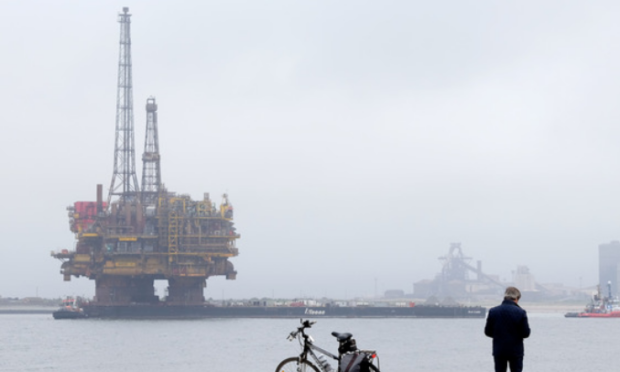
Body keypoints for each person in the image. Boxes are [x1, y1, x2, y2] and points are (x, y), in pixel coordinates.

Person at [484, 287, 531, 372]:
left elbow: (487, 332)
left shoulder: (493, 311)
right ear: (516, 299)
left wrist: (498, 335)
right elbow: (526, 333)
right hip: (516, 351)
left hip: (499, 350)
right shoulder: (521, 312)